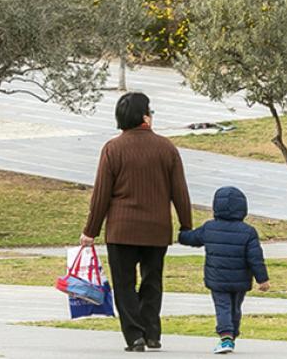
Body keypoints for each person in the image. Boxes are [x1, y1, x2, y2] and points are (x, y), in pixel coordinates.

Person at [81, 92, 194, 353]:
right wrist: (186, 226)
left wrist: (91, 231)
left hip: (121, 230)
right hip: (157, 230)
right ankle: (152, 333)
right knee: (152, 281)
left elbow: (101, 195)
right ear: (145, 116)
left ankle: (134, 336)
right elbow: (180, 192)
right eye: (150, 111)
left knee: (124, 284)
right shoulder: (167, 148)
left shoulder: (113, 148)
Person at [179, 187, 270, 355]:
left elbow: (192, 238)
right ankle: (232, 335)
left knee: (223, 307)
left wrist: (182, 234)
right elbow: (255, 258)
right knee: (235, 307)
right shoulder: (248, 232)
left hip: (217, 279)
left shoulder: (209, 228)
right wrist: (262, 279)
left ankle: (226, 336)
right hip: (240, 280)